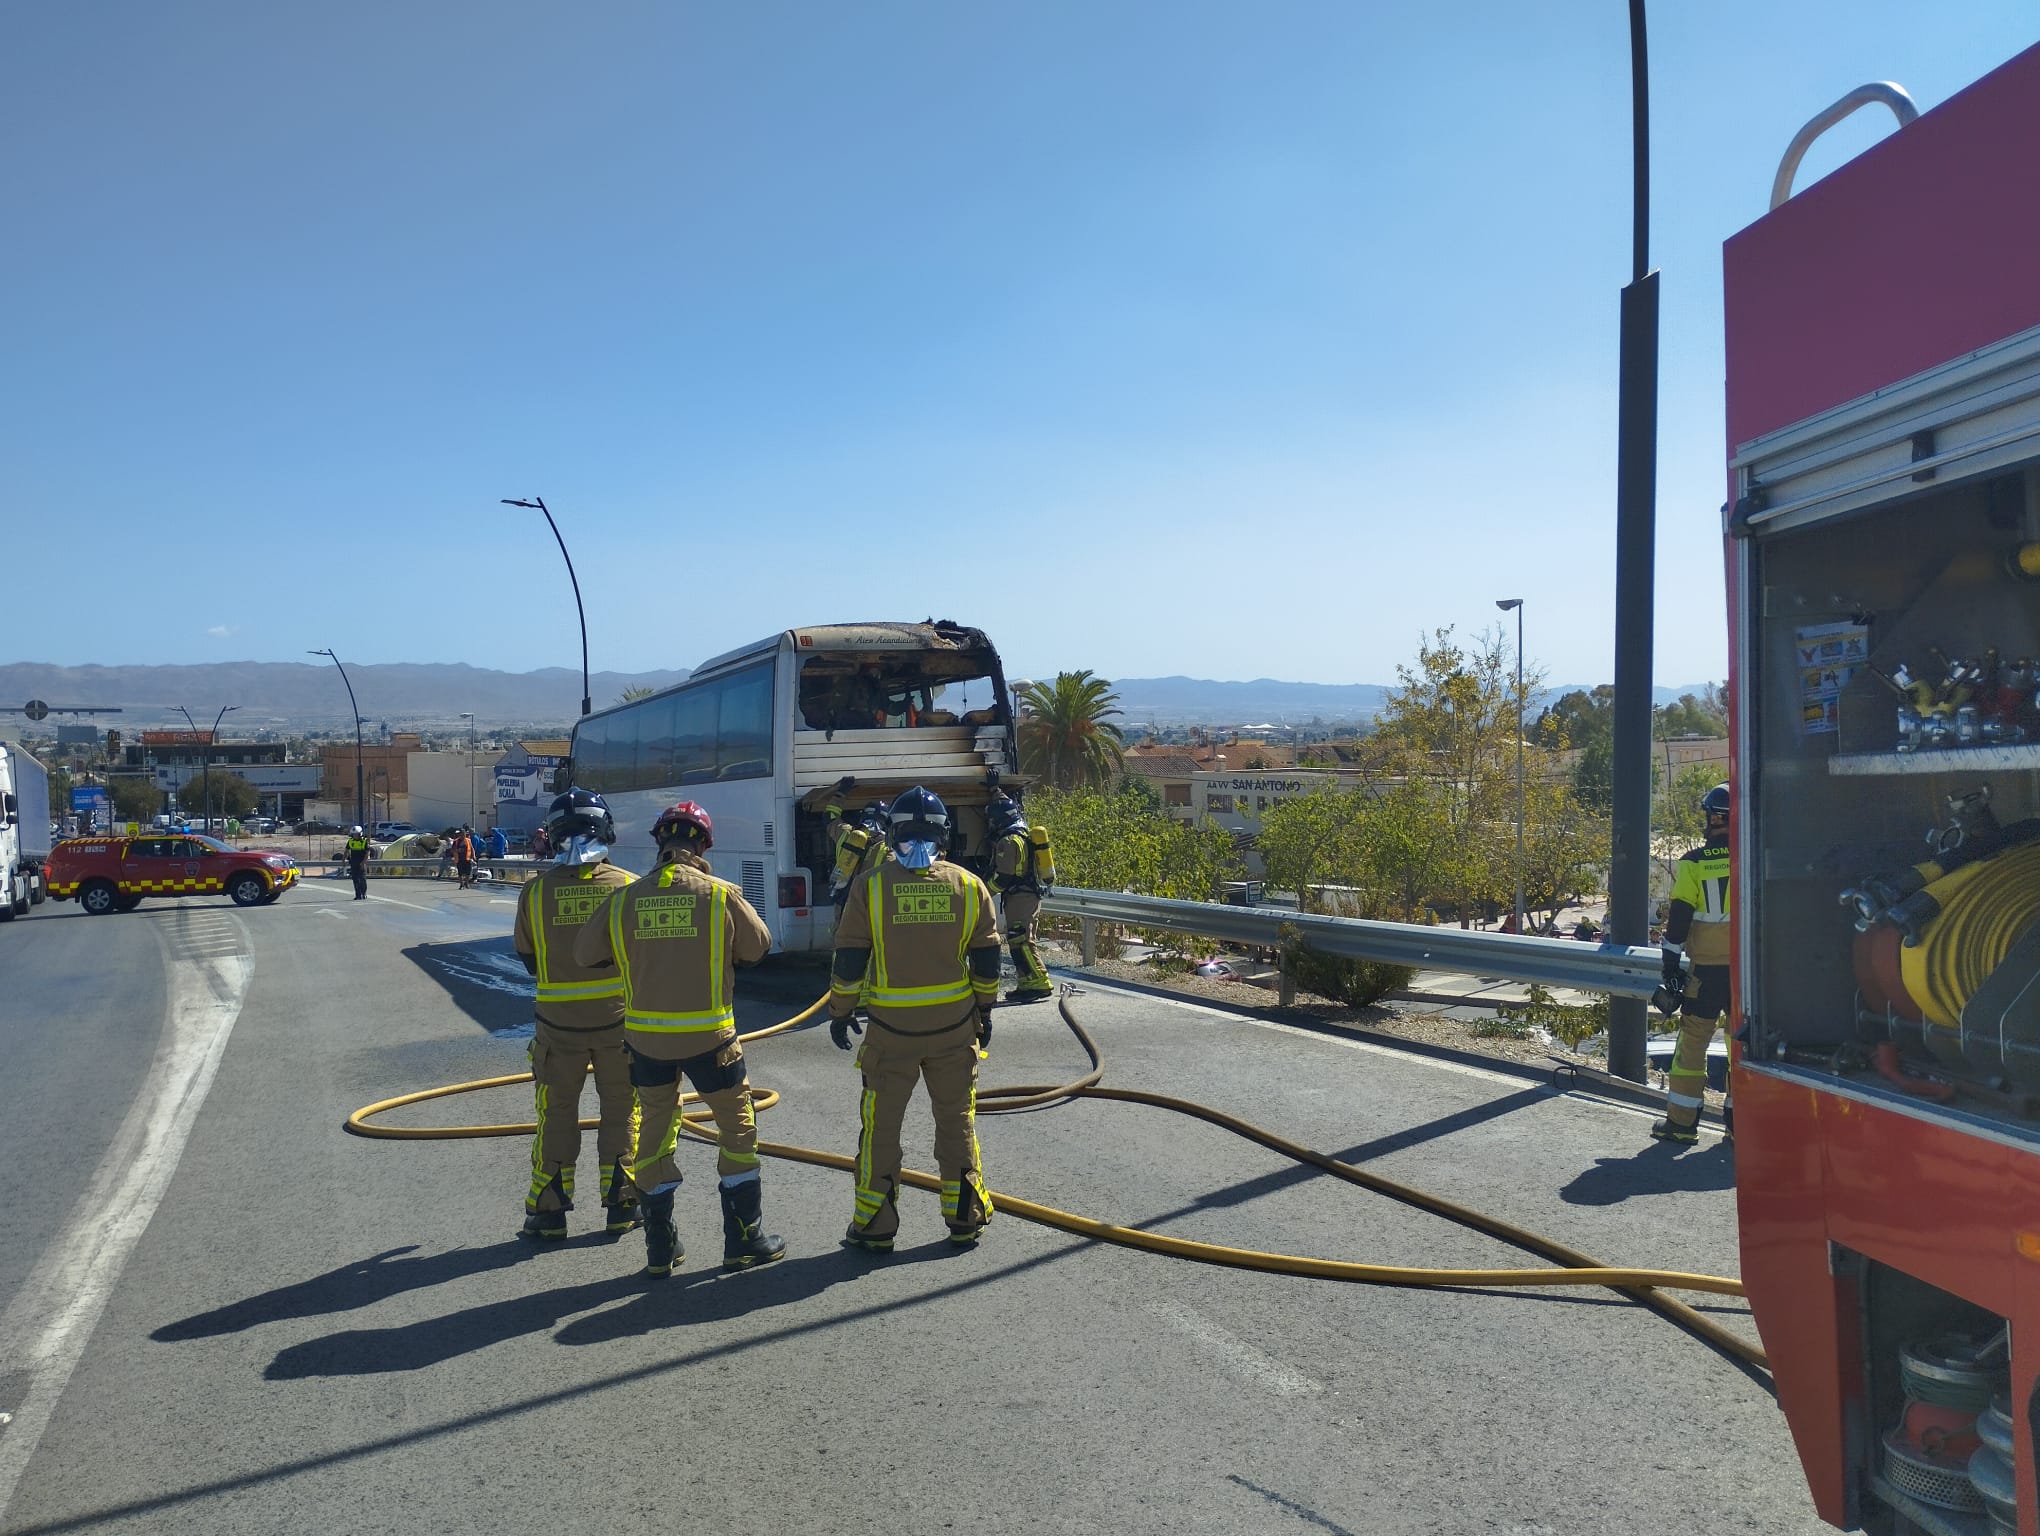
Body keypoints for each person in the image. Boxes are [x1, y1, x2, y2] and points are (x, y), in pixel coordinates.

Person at [573, 800, 784, 1278]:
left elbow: (586, 954)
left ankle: (660, 1247)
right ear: (704, 844)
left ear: (659, 843)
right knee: (737, 1131)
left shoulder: (626, 897)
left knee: (653, 1132)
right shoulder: (720, 893)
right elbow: (758, 947)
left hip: (646, 1044)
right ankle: (743, 1240)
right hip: (712, 1040)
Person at [830, 786, 1003, 1251]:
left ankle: (874, 1225)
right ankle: (965, 1215)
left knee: (881, 1130)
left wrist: (841, 1012)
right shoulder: (969, 887)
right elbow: (988, 961)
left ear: (893, 831)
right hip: (953, 1033)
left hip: (891, 1037)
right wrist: (984, 1009)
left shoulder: (870, 886)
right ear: (945, 833)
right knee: (957, 1122)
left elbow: (849, 960)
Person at [511, 788, 640, 1240]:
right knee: (622, 1110)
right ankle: (622, 1202)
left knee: (556, 1112)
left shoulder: (535, 892)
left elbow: (529, 959)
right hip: (619, 1025)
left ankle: (549, 1210)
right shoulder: (627, 887)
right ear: (604, 830)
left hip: (557, 1027)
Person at [1651, 783, 1733, 1144]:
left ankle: (1682, 1124)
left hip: (1706, 974)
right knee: (1741, 1048)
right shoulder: (1751, 858)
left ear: (1710, 819)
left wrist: (1670, 965)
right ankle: (1740, 1129)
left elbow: (1680, 919)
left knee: (1692, 1046)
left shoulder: (1694, 864)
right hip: (1748, 976)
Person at [986, 791, 1054, 1002]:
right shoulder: (1022, 833)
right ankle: (1026, 983)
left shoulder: (1008, 841)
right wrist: (995, 788)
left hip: (1020, 897)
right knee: (1019, 940)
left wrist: (982, 892)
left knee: (1022, 941)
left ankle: (1038, 981)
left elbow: (1003, 877)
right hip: (1026, 896)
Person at [344, 825, 371, 900]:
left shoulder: (364, 842)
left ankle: (364, 893)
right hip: (353, 862)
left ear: (360, 834)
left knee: (362, 879)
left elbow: (367, 853)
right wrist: (343, 859)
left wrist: (363, 863)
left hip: (361, 862)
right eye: (354, 834)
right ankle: (358, 895)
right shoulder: (350, 841)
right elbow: (346, 850)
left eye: (356, 834)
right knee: (355, 879)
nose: (355, 836)